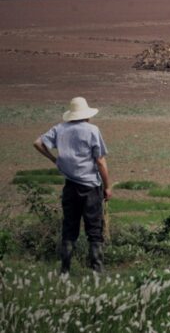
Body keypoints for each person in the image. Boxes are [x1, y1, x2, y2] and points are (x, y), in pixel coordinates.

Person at [33, 97, 111, 274]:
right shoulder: (92, 130)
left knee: (69, 228)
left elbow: (37, 143)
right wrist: (108, 186)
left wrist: (54, 160)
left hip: (70, 186)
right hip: (91, 187)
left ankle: (65, 270)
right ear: (86, 115)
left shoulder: (59, 129)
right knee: (94, 229)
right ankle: (97, 270)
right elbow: (100, 161)